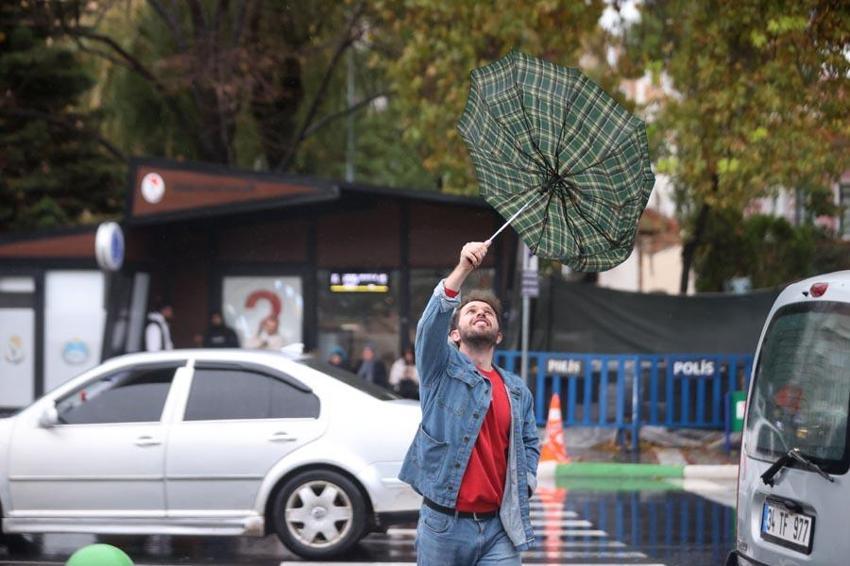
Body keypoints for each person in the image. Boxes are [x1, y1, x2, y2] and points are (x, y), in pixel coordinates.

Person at [399, 241, 540, 565]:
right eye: (471, 310)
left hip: (499, 527)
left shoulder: (516, 390)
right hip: (444, 525)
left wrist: (527, 480)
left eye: (487, 312)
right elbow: (429, 327)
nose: (480, 313)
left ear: (498, 335)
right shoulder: (440, 369)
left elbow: (531, 441)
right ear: (455, 334)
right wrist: (463, 268)